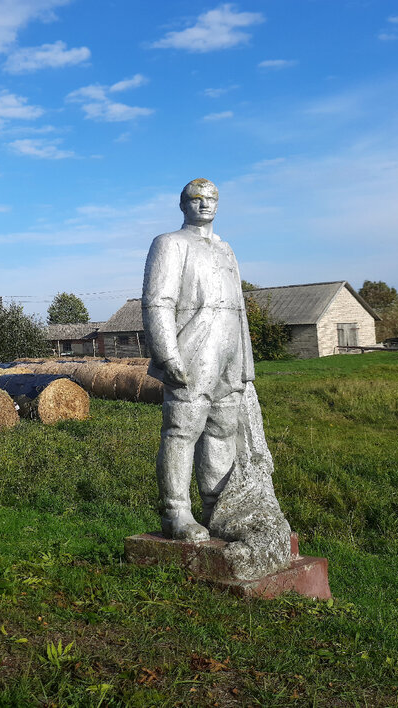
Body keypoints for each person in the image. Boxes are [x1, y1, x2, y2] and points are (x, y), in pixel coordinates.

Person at [142, 178, 254, 541]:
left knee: (223, 431)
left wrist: (245, 363)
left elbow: (239, 309)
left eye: (212, 199)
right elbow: (158, 301)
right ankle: (176, 512)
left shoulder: (227, 250)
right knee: (181, 430)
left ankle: (215, 508)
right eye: (197, 198)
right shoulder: (170, 243)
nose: (205, 205)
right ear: (182, 204)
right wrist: (166, 352)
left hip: (229, 353)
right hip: (193, 348)